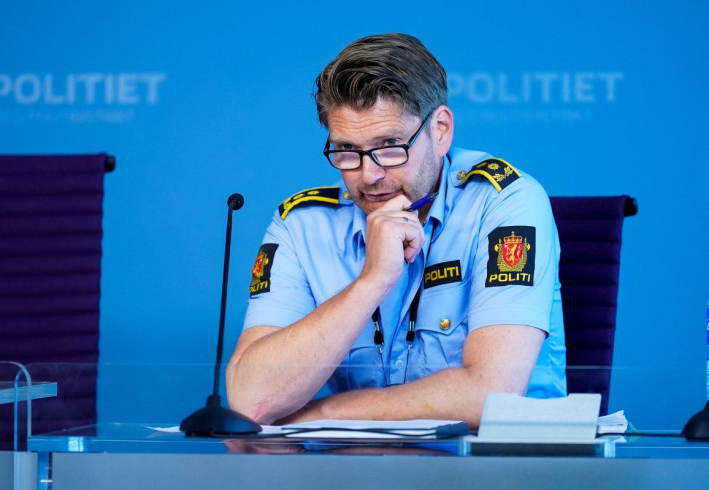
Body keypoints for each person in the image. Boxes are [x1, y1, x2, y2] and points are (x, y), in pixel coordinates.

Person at [226, 33, 566, 427]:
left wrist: (322, 414)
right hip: (362, 471)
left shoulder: (506, 202)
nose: (369, 175)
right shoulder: (302, 223)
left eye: (390, 146)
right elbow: (251, 402)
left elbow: (491, 393)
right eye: (346, 151)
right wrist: (371, 282)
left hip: (502, 470)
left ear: (440, 130)